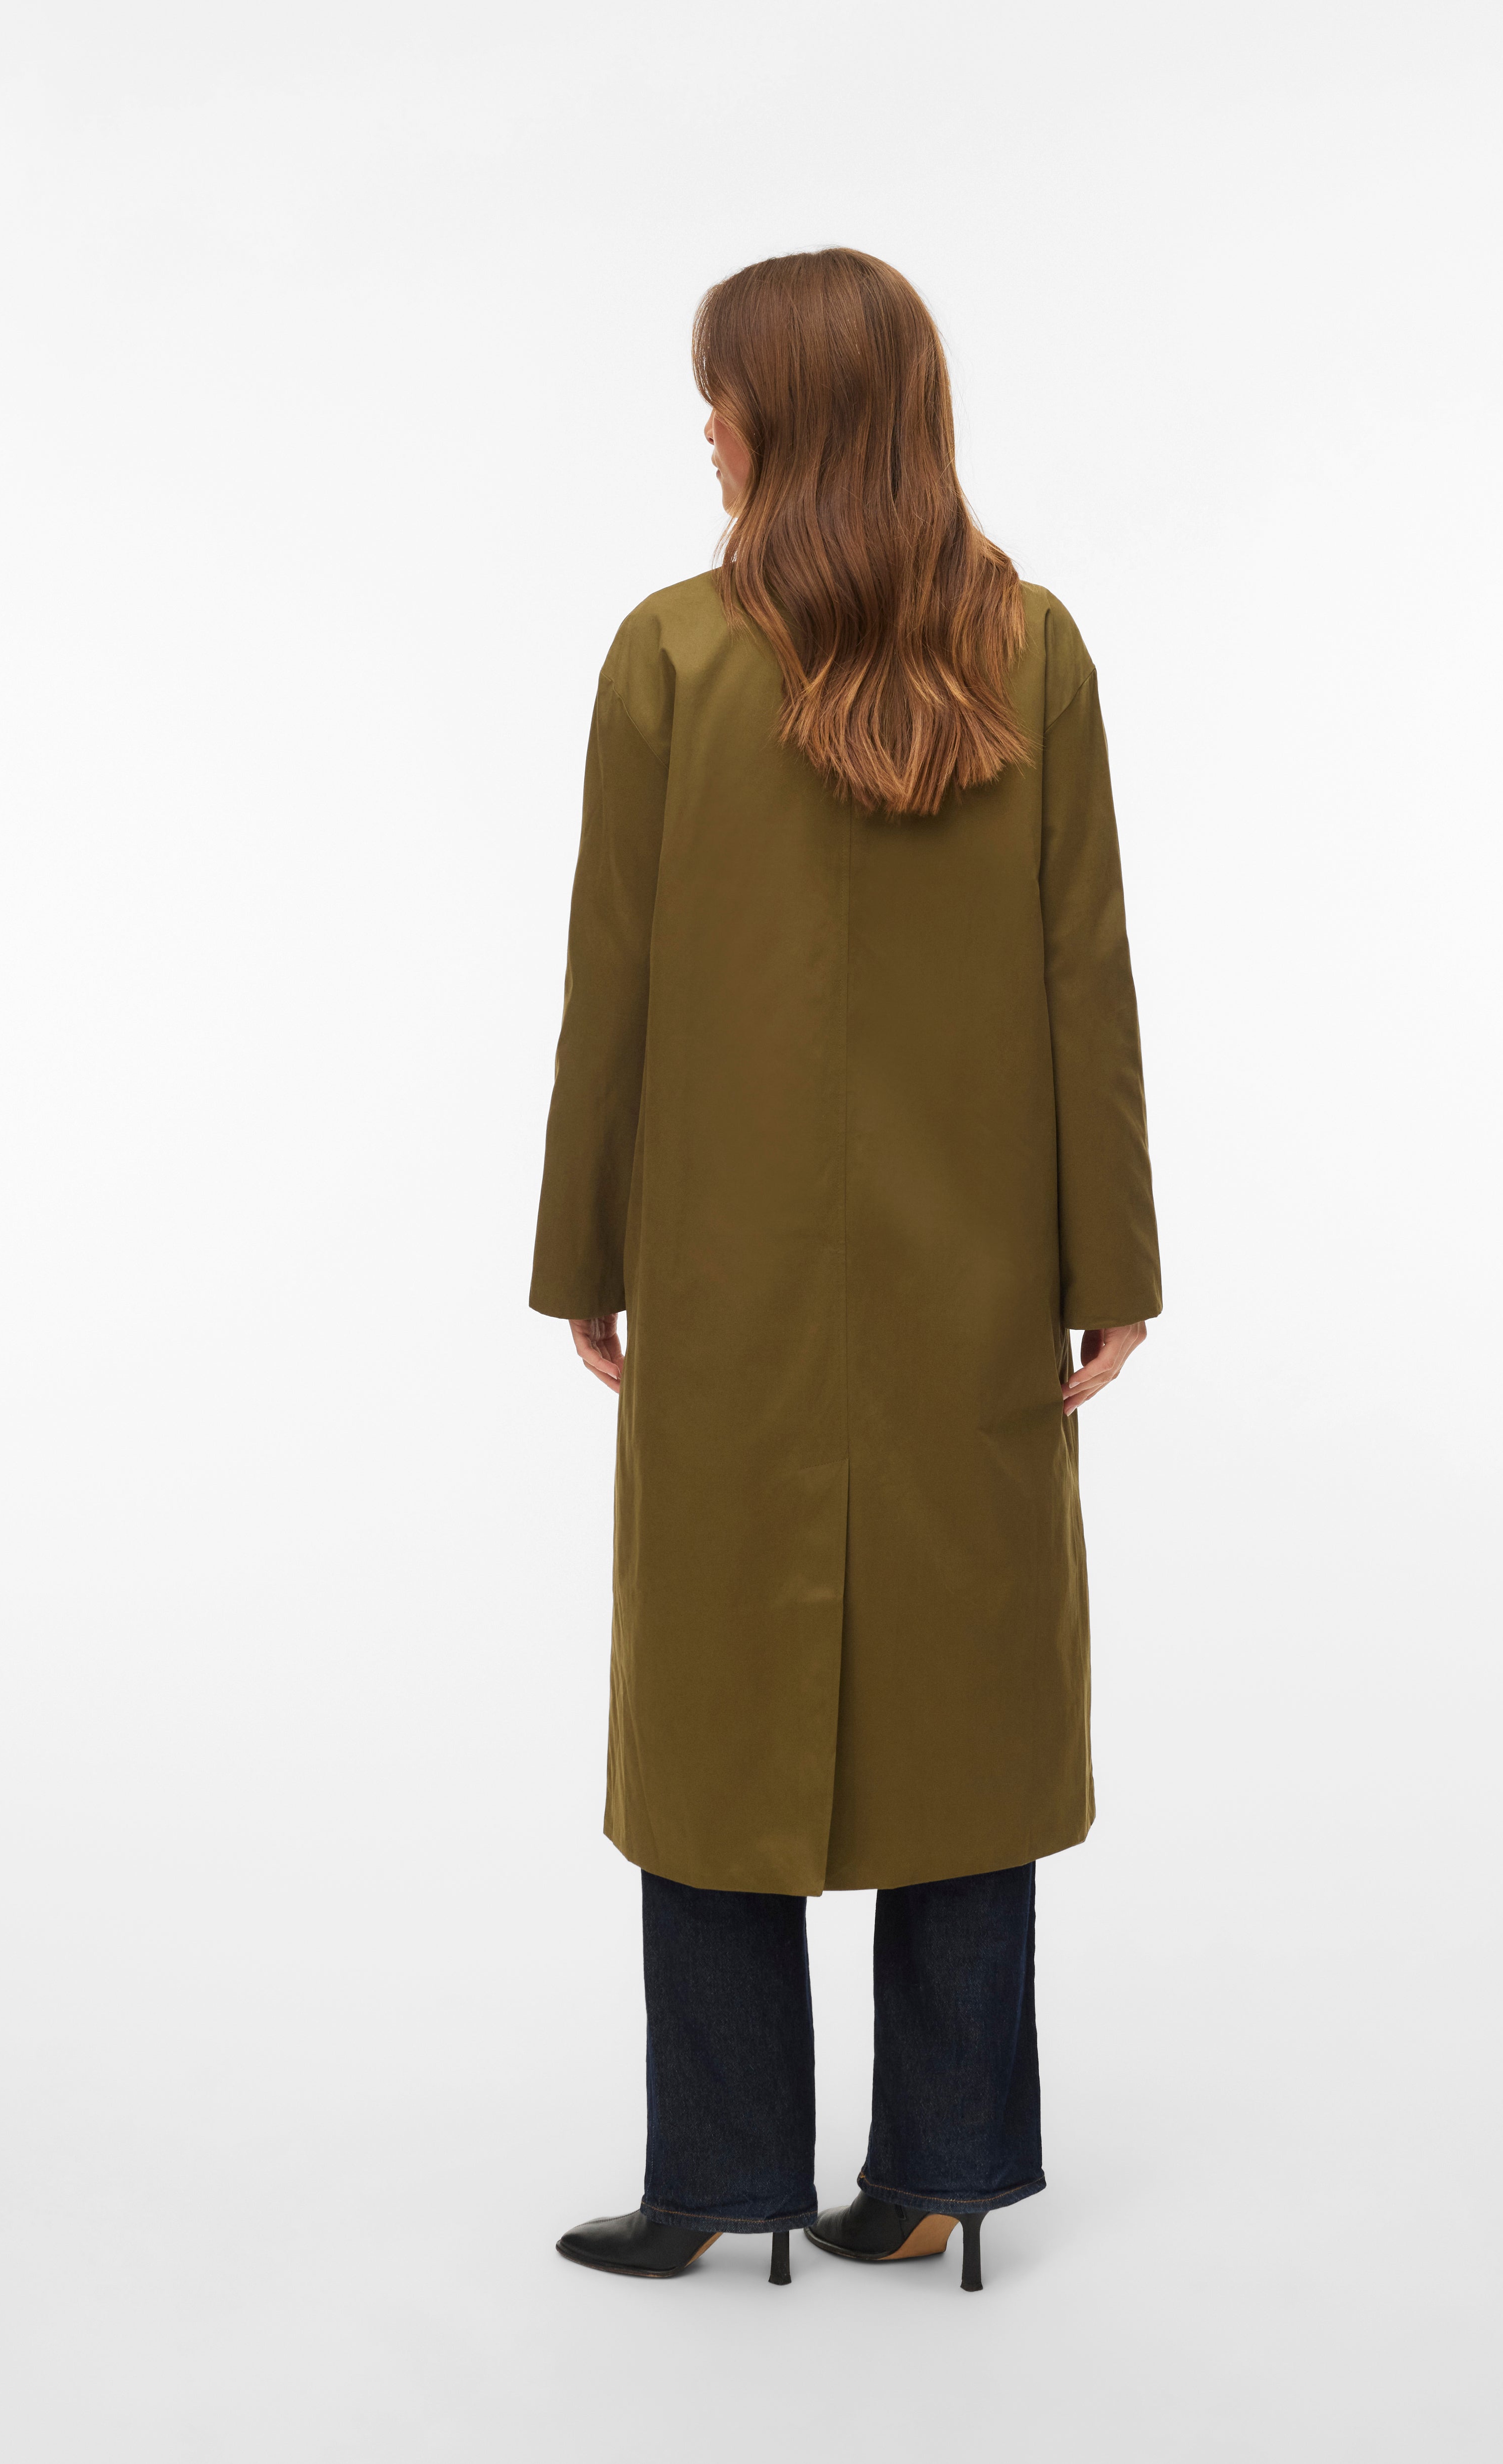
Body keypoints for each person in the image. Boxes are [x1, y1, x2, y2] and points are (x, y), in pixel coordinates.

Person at [530, 247, 1159, 2291]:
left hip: (726, 1281)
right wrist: (1109, 1259)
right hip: (972, 1286)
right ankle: (943, 2166)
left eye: (719, 394)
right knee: (969, 1708)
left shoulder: (670, 656)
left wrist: (587, 1248)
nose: (701, 427)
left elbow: (613, 990)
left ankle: (721, 2171)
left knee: (713, 1714)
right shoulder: (1031, 650)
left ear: (785, 417)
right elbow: (1085, 980)